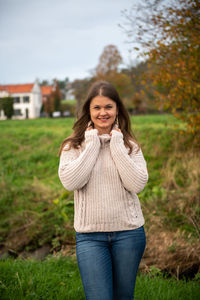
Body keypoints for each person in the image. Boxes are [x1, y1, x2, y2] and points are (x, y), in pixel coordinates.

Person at [58, 80, 148, 300]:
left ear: (117, 109)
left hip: (129, 234)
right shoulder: (73, 146)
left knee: (123, 297)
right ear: (88, 111)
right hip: (90, 237)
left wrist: (116, 145)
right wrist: (92, 145)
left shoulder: (130, 146)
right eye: (96, 107)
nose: (103, 113)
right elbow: (71, 182)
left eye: (108, 106)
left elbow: (136, 185)